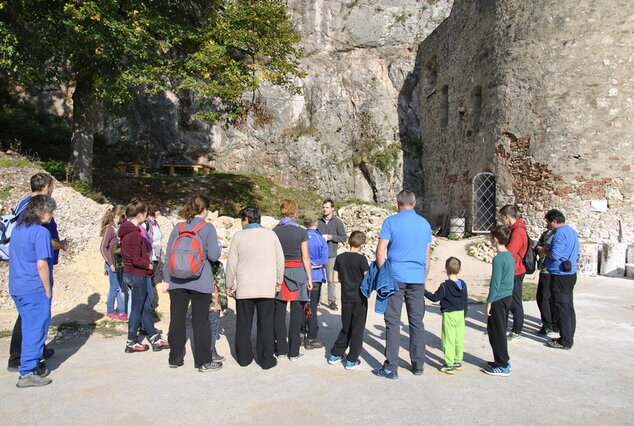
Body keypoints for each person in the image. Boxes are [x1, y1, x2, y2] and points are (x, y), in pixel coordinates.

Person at [8, 172, 68, 373]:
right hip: (33, 279)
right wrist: (60, 245)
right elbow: (40, 253)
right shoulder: (36, 219)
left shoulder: (23, 214)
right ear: (46, 188)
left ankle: (34, 353)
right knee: (31, 321)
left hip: (21, 278)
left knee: (32, 321)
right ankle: (20, 361)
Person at [372, 190, 432, 379]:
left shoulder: (391, 221)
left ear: (398, 203)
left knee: (393, 321)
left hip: (395, 276)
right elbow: (427, 256)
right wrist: (423, 277)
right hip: (416, 277)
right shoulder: (424, 224)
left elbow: (380, 252)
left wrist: (385, 275)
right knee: (416, 321)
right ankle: (418, 364)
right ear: (414, 204)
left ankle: (391, 366)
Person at [163, 195, 221, 371]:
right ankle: (203, 361)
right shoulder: (208, 228)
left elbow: (168, 256)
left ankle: (175, 358)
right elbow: (214, 256)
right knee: (201, 322)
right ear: (204, 210)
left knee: (177, 320)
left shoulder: (178, 228)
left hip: (177, 281)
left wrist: (167, 279)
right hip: (200, 281)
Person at [226, 207, 285, 369]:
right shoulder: (271, 235)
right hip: (266, 287)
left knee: (243, 323)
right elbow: (280, 260)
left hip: (245, 288)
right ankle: (266, 359)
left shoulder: (239, 237)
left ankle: (244, 358)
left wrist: (229, 284)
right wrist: (278, 281)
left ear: (246, 219)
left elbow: (231, 264)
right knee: (265, 324)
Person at [8, 195, 57, 387]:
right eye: (49, 212)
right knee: (35, 329)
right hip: (34, 287)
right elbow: (41, 264)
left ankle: (29, 364)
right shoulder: (40, 232)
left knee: (28, 326)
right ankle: (28, 371)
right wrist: (47, 289)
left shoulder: (18, 229)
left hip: (18, 286)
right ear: (40, 212)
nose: (51, 217)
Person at [119, 199, 169, 353]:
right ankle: (131, 340)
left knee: (143, 307)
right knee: (138, 308)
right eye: (146, 214)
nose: (147, 217)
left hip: (129, 273)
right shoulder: (134, 233)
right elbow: (135, 258)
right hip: (137, 274)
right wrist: (149, 265)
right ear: (140, 215)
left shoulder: (125, 230)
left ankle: (153, 337)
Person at [272, 200, 312, 360]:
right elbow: (305, 257)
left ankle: (281, 350)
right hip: (298, 273)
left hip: (280, 274)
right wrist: (309, 278)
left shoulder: (274, 231)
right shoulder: (301, 232)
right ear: (295, 212)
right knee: (296, 314)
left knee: (279, 313)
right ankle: (294, 352)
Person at [327, 231, 369, 370]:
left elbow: (334, 279)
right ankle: (351, 359)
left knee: (346, 327)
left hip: (346, 298)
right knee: (357, 329)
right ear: (362, 245)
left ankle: (335, 354)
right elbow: (367, 278)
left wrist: (345, 280)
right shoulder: (362, 260)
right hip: (359, 298)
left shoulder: (340, 258)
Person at [539, 209, 579, 350]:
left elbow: (555, 254)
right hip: (570, 274)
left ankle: (565, 341)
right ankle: (568, 336)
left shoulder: (560, 234)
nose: (547, 225)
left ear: (554, 222)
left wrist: (544, 250)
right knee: (568, 307)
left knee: (561, 307)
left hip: (560, 275)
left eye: (548, 222)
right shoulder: (572, 232)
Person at [424, 257, 468, 375]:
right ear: (460, 270)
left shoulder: (445, 286)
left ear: (446, 270)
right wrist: (464, 314)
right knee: (459, 338)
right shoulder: (463, 284)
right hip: (460, 314)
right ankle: (457, 361)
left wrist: (424, 291)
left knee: (448, 339)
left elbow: (435, 298)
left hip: (449, 314)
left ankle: (449, 364)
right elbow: (465, 301)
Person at [483, 225, 515, 377]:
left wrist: (489, 302)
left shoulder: (499, 259)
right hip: (507, 296)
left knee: (497, 332)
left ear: (495, 239)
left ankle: (503, 364)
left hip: (498, 298)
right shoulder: (510, 256)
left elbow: (495, 283)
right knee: (497, 330)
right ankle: (499, 360)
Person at [498, 205, 528, 341]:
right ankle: (504, 328)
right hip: (513, 269)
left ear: (507, 216)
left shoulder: (518, 232)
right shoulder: (514, 230)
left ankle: (517, 330)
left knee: (515, 300)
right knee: (509, 299)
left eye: (502, 217)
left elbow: (509, 252)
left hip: (516, 270)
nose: (501, 220)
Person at [302, 217, 328, 350]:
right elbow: (324, 259)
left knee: (301, 305)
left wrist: (306, 264)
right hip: (316, 277)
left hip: (302, 276)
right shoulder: (320, 239)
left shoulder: (301, 237)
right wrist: (312, 265)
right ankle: (311, 336)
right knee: (312, 306)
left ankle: (301, 334)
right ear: (316, 224)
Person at [317, 199, 347, 311]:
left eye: (327, 207)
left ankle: (332, 301)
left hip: (331, 254)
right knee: (318, 278)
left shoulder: (337, 222)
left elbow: (343, 238)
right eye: (324, 207)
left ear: (332, 208)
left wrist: (331, 237)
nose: (325, 209)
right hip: (318, 255)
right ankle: (316, 300)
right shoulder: (318, 221)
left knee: (331, 279)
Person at [99, 204, 127, 321]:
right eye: (123, 215)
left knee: (121, 287)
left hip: (119, 262)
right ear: (117, 215)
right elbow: (103, 248)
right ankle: (110, 311)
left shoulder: (119, 227)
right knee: (114, 287)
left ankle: (121, 312)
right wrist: (109, 264)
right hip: (113, 264)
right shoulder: (109, 229)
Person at [535, 226, 558, 335]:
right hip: (549, 269)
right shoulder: (547, 233)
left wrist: (542, 251)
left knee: (543, 298)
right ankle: (554, 323)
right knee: (548, 298)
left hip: (548, 270)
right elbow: (539, 245)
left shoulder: (557, 235)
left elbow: (545, 249)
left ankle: (548, 324)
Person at [145, 201, 163, 321]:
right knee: (149, 283)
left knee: (151, 282)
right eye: (157, 210)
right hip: (151, 256)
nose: (159, 212)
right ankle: (148, 308)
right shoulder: (147, 224)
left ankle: (150, 307)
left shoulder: (156, 223)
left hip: (157, 255)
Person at [209, 260, 228, 363]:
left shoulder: (199, 261)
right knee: (212, 330)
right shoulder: (217, 265)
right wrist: (224, 304)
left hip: (199, 302)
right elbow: (221, 285)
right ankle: (211, 353)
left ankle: (201, 352)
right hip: (213, 303)